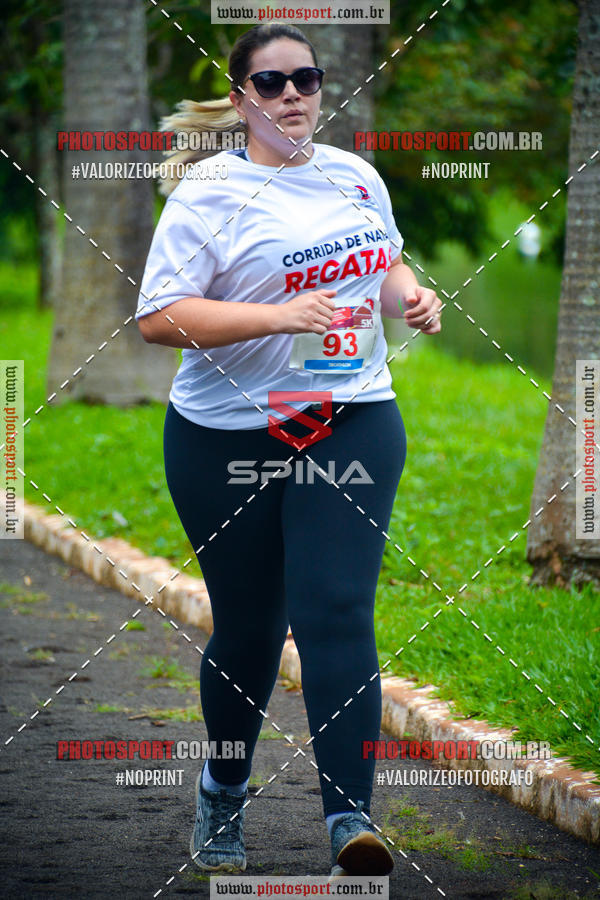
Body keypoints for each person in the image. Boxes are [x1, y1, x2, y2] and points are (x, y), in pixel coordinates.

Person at [135, 23, 442, 879]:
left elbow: (384, 263)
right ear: (240, 101)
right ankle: (224, 791)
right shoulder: (208, 193)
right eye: (270, 85)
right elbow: (160, 319)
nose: (293, 96)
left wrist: (413, 297)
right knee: (250, 627)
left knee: (337, 610)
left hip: (351, 416)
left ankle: (351, 821)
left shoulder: (355, 176)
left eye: (304, 79)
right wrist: (278, 318)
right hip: (227, 434)